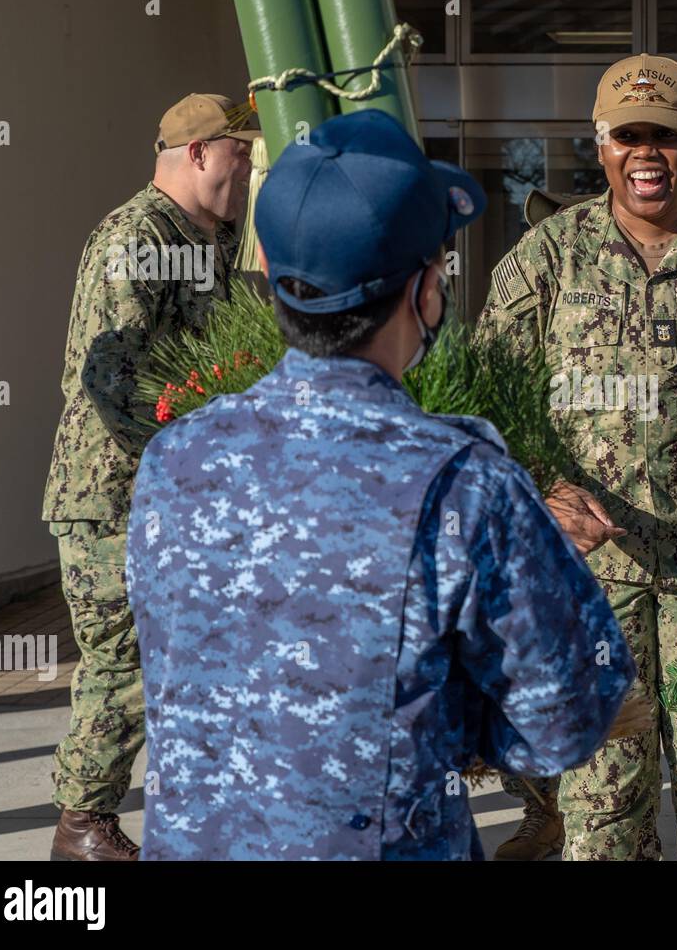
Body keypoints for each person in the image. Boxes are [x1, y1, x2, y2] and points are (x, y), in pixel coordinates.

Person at [125, 110, 637, 860]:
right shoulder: (467, 483)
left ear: (265, 266)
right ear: (427, 290)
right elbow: (568, 715)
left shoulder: (173, 459)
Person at [476, 53, 677, 861]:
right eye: (630, 135)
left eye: (665, 135)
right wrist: (546, 489)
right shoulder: (546, 261)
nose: (647, 153)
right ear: (601, 146)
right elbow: (489, 404)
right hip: (594, 585)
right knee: (602, 814)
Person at [42, 93, 256, 860]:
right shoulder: (138, 238)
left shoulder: (207, 240)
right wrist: (186, 457)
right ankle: (82, 826)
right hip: (116, 499)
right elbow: (112, 376)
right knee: (124, 664)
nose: (248, 164)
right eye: (239, 150)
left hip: (176, 498)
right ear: (198, 153)